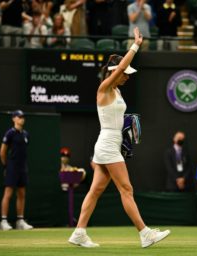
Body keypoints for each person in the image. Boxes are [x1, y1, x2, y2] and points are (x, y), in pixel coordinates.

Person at [68, 27, 170, 248]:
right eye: (124, 73)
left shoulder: (118, 91)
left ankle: (79, 233)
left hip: (111, 142)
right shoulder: (104, 88)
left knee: (95, 190)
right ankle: (145, 233)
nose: (126, 76)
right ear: (114, 71)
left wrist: (126, 127)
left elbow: (116, 117)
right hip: (106, 144)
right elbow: (122, 66)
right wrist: (135, 45)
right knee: (126, 189)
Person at [0, 110, 33, 231]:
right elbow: (2, 152)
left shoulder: (26, 134)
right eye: (19, 117)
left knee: (22, 194)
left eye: (23, 117)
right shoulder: (9, 133)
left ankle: (20, 221)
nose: (22, 119)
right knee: (8, 194)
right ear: (14, 119)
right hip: (11, 167)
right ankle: (3, 221)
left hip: (22, 167)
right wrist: (6, 166)